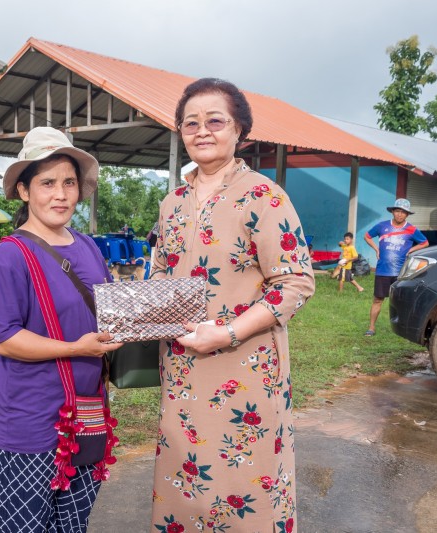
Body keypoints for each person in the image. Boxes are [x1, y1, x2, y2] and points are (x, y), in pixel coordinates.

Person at [150, 78, 315, 533]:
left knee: (247, 482)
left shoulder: (264, 196)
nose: (202, 131)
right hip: (183, 368)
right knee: (186, 478)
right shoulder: (172, 203)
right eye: (191, 123)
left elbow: (295, 283)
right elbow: (162, 272)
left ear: (240, 129)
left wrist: (226, 332)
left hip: (245, 370)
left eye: (215, 121)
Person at [0, 127, 122, 533]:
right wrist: (75, 347)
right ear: (24, 191)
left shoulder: (89, 247)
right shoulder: (8, 258)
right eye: (47, 183)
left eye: (69, 183)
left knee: (72, 525)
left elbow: (106, 310)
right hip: (31, 421)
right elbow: (1, 338)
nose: (60, 195)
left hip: (88, 414)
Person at [363, 198, 428, 336]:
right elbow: (367, 236)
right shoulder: (382, 226)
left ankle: (404, 328)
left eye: (403, 212)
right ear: (393, 211)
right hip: (382, 270)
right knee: (377, 299)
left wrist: (411, 250)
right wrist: (376, 249)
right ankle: (371, 327)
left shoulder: (411, 229)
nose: (400, 214)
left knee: (402, 301)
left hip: (401, 272)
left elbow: (425, 242)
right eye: (397, 211)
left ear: (407, 214)